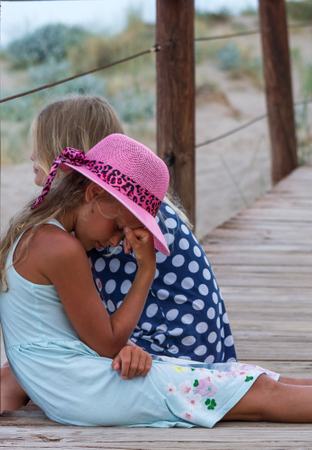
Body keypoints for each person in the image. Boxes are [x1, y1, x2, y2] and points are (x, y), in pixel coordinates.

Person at [0, 133, 312, 426]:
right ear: (91, 195)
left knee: (249, 380)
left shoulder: (40, 235)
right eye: (121, 226)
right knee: (260, 396)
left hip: (75, 384)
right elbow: (106, 343)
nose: (117, 241)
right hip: (83, 388)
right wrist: (146, 271)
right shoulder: (60, 248)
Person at [0, 96, 236, 412]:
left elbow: (99, 335)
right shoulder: (124, 206)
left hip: (171, 351)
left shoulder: (118, 220)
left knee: (18, 376)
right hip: (195, 346)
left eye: (40, 159)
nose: (34, 164)